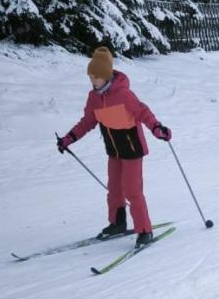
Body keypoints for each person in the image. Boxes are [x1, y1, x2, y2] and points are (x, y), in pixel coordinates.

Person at [57, 46, 172, 246]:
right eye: (90, 76)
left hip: (132, 149)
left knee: (132, 191)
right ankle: (117, 223)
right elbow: (87, 122)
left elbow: (143, 112)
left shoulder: (124, 95)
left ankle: (145, 230)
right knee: (114, 189)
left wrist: (156, 128)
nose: (93, 80)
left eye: (96, 77)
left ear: (107, 75)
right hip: (114, 149)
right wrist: (69, 138)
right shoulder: (94, 98)